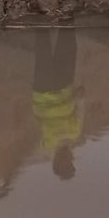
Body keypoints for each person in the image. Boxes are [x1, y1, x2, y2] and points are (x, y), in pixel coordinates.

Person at [30, 28, 82, 180]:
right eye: (69, 162)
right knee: (68, 48)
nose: (67, 159)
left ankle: (40, 17)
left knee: (43, 51)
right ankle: (67, 16)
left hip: (43, 90)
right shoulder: (75, 133)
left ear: (56, 162)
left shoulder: (45, 146)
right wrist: (80, 96)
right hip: (64, 86)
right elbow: (79, 109)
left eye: (63, 163)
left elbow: (32, 125)